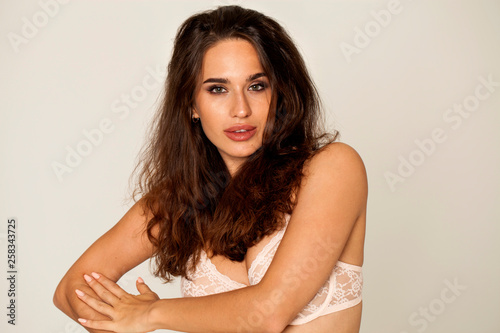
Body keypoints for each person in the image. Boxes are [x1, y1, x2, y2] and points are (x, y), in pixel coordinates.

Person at [53, 5, 367, 333]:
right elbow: (71, 290)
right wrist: (121, 321)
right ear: (191, 105)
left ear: (281, 92)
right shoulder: (180, 199)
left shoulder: (333, 168)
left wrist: (150, 314)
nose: (240, 109)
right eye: (217, 89)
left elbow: (268, 313)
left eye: (257, 86)